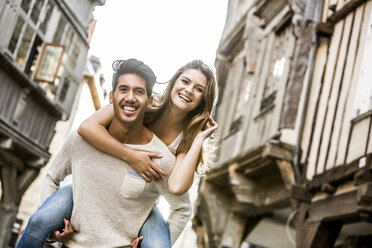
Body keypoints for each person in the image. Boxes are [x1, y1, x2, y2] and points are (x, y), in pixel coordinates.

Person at [17, 59, 218, 247]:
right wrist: (132, 156)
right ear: (174, 82)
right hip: (95, 186)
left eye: (199, 89)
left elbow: (176, 188)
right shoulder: (144, 102)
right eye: (185, 81)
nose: (189, 90)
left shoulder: (187, 139)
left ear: (203, 99)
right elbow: (87, 127)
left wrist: (199, 140)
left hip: (141, 201)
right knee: (38, 221)